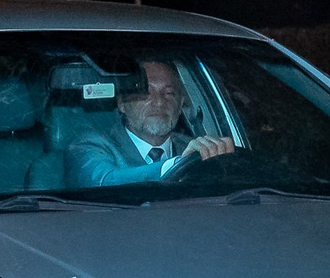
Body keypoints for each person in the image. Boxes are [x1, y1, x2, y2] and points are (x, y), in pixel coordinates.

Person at [64, 57, 235, 187]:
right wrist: (175, 165)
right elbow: (104, 180)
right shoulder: (89, 145)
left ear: (181, 105)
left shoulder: (196, 149)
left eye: (169, 93)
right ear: (122, 103)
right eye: (145, 92)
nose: (159, 102)